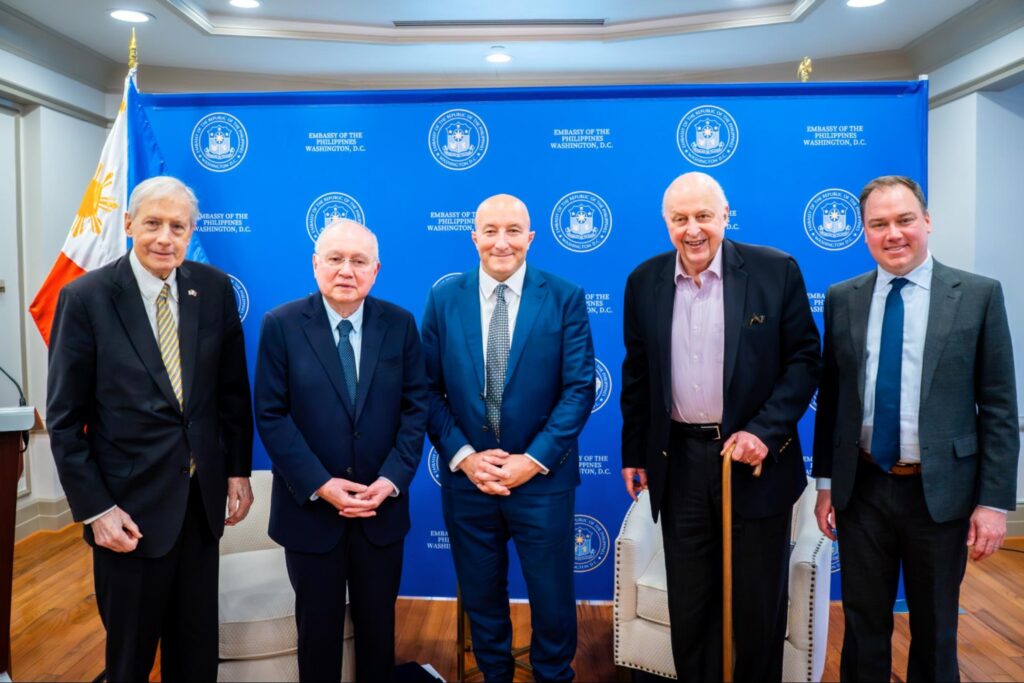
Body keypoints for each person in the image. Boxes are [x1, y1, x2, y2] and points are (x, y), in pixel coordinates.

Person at [46, 175, 254, 682]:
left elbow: (231, 394)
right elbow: (65, 419)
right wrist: (96, 509)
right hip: (127, 515)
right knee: (130, 661)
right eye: (154, 223)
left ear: (191, 232)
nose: (165, 237)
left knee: (196, 656)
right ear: (128, 224)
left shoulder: (215, 289)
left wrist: (237, 472)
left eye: (178, 227)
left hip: (200, 509)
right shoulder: (86, 298)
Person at [812, 175, 1019, 682]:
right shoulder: (844, 298)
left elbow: (998, 407)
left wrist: (993, 504)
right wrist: (825, 486)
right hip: (862, 490)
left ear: (926, 222)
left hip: (941, 495)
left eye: (904, 220)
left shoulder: (977, 295)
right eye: (879, 224)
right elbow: (833, 400)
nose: (894, 234)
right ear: (864, 232)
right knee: (863, 626)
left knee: (935, 628)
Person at [620, 171, 820, 682]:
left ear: (725, 215)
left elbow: (804, 360)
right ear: (666, 223)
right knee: (691, 605)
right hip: (679, 462)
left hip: (755, 466)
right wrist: (632, 453)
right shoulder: (644, 280)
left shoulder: (776, 271)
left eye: (703, 216)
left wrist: (764, 432)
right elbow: (638, 373)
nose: (693, 229)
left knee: (757, 606)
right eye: (680, 218)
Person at [421, 193, 595, 682]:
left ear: (531, 238)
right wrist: (466, 458)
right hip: (469, 483)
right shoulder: (443, 298)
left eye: (513, 230)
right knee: (481, 596)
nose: (502, 242)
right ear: (473, 236)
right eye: (490, 230)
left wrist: (531, 460)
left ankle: (553, 675)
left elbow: (579, 388)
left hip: (541, 481)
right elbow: (428, 390)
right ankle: (494, 674)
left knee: (553, 599)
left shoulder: (564, 296)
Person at [254, 219, 427, 682]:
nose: (346, 270)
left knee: (378, 631)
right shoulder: (281, 325)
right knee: (318, 633)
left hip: (380, 512)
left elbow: (416, 410)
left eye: (358, 261)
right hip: (311, 514)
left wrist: (390, 481)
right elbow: (271, 415)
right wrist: (322, 485)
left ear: (376, 270)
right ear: (315, 265)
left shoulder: (401, 324)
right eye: (335, 259)